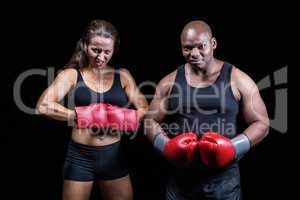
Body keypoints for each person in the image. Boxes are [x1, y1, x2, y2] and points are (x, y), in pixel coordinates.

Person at [144, 20, 270, 199]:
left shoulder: (237, 78)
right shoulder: (169, 82)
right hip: (180, 183)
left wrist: (233, 148)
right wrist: (166, 147)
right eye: (187, 48)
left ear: (213, 44)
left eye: (200, 46)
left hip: (223, 182)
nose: (194, 53)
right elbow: (150, 121)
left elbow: (262, 123)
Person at [36, 20, 148, 200]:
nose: (101, 57)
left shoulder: (123, 75)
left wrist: (124, 118)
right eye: (95, 50)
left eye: (107, 52)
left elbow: (144, 107)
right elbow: (42, 106)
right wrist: (81, 115)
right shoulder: (71, 75)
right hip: (80, 158)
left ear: (114, 50)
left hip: (114, 157)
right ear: (85, 45)